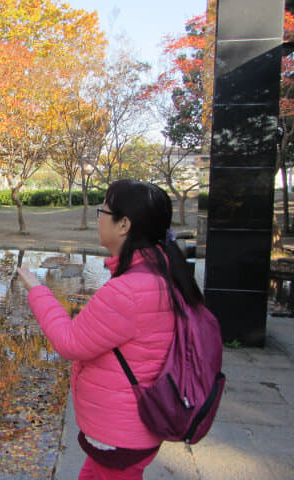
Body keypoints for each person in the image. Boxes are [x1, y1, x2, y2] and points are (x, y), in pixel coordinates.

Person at [17, 179, 204, 480]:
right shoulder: (163, 269)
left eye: (102, 211)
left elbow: (69, 342)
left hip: (120, 431)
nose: (98, 218)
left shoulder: (128, 291)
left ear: (124, 225)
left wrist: (37, 290)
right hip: (135, 426)